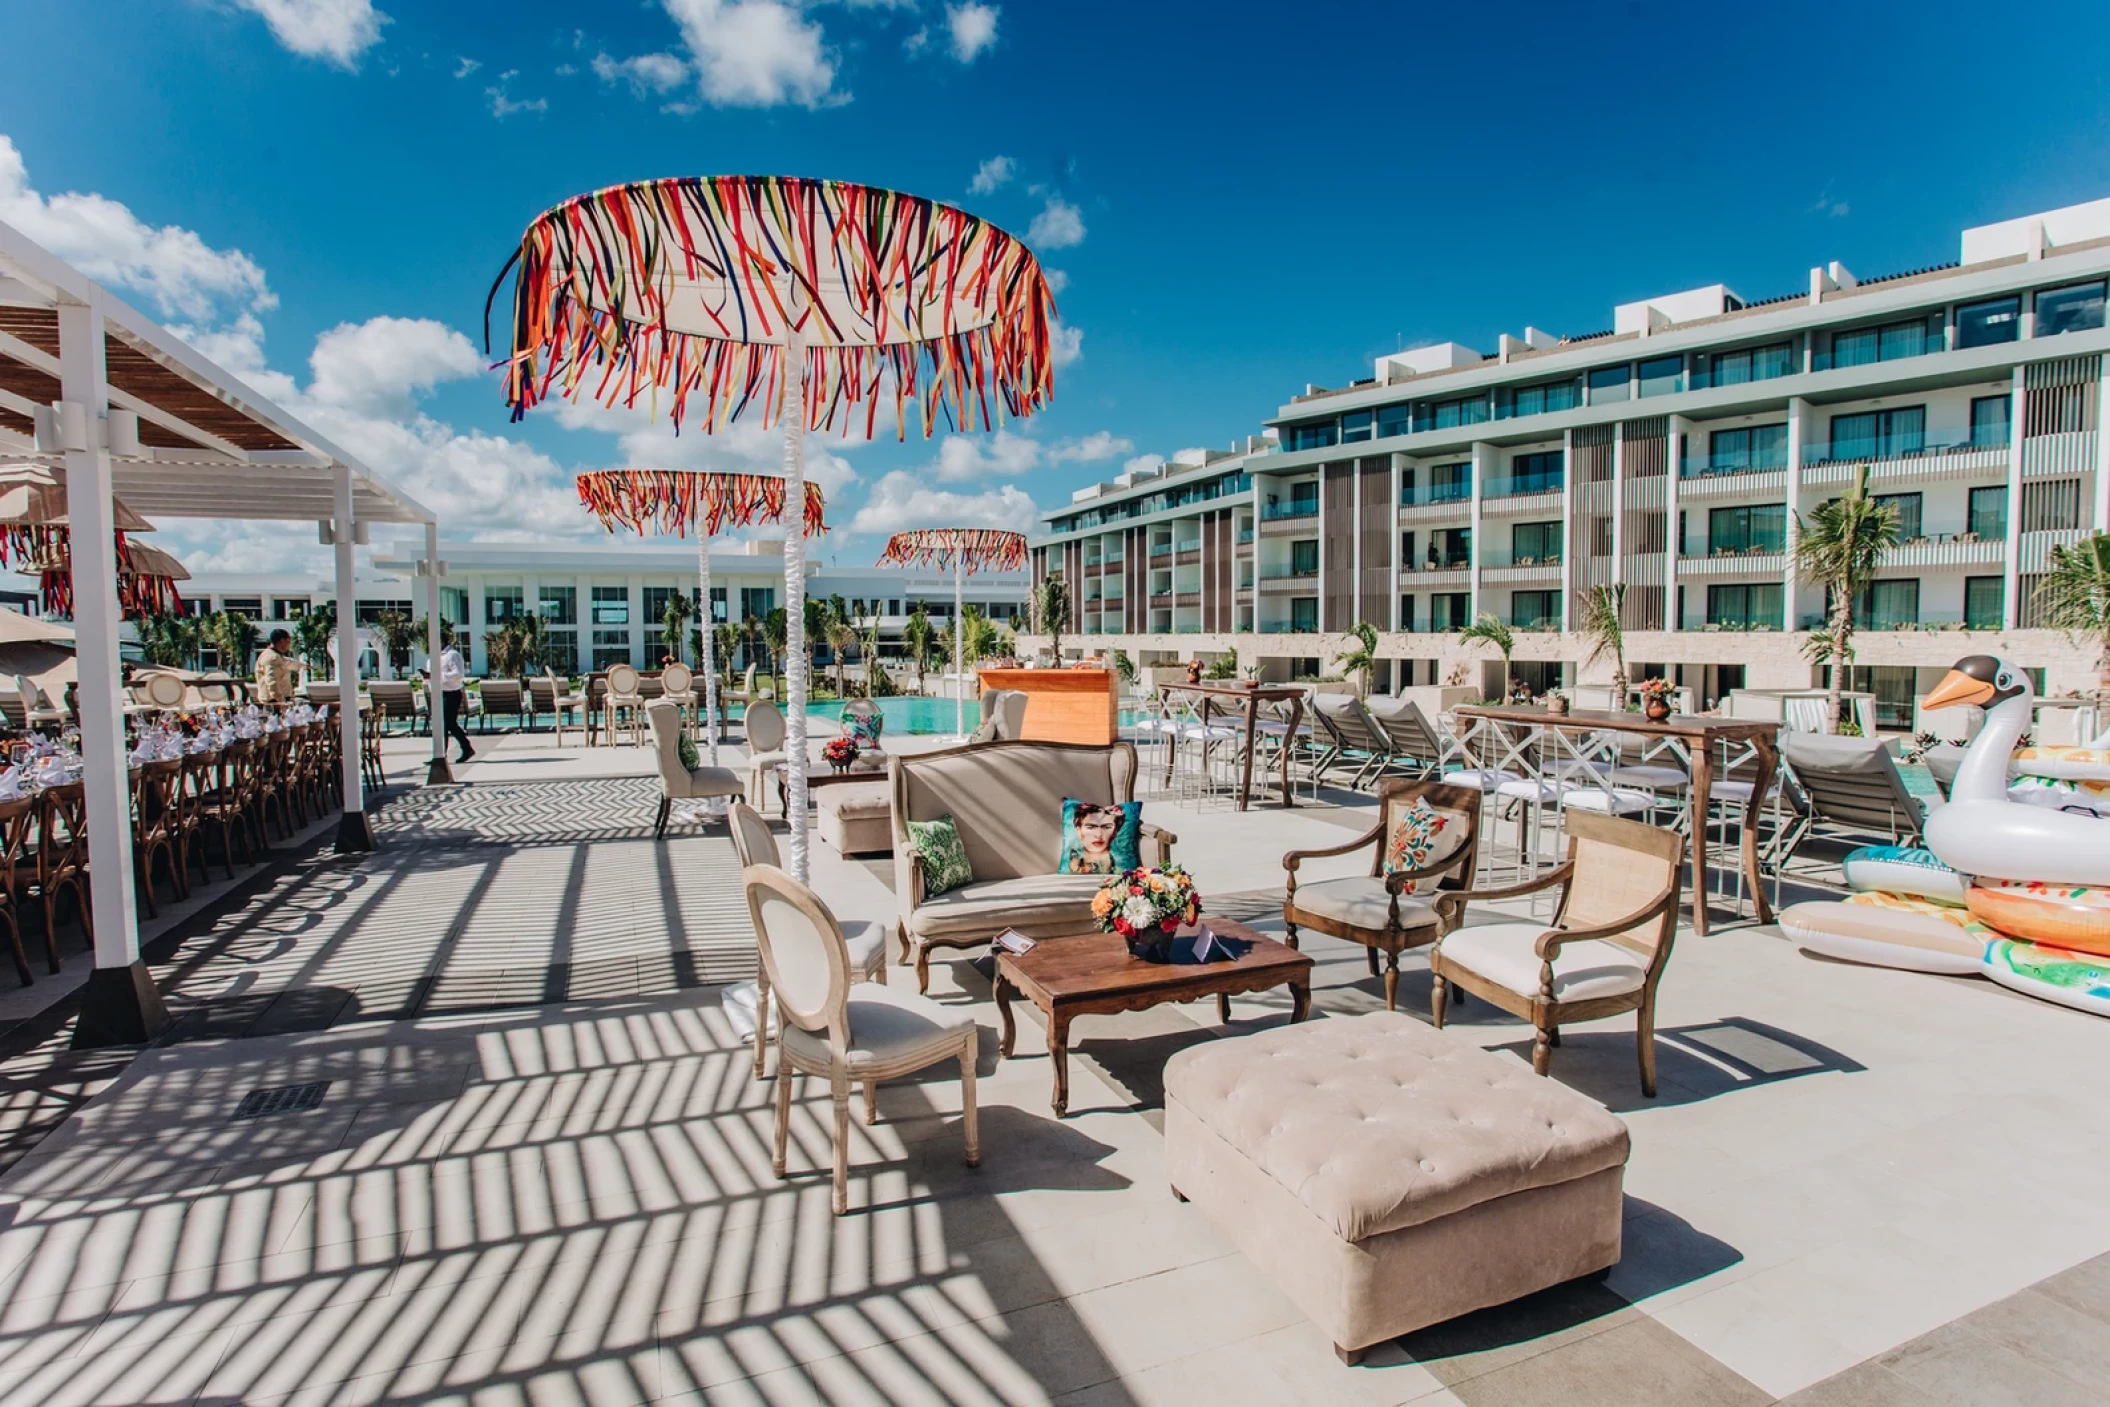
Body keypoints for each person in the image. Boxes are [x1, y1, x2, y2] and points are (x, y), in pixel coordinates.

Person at [434, 630, 472, 762]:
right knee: (443, 724)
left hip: (451, 693)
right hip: (439, 693)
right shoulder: (435, 656)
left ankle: (464, 748)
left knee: (449, 723)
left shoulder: (452, 655)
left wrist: (439, 676)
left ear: (442, 641)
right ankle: (440, 754)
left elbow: (459, 674)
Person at [254, 628, 303, 705]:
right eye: (288, 641)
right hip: (274, 702)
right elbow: (272, 681)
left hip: (274, 700)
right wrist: (281, 702)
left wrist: (303, 666)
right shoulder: (273, 658)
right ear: (282, 641)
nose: (289, 645)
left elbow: (287, 663)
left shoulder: (273, 655)